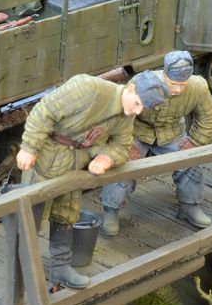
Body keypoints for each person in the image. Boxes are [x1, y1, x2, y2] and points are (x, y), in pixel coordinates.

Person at [16, 71, 169, 289]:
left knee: (66, 214)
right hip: (45, 159)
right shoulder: (87, 88)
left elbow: (123, 146)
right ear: (131, 89)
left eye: (143, 108)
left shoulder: (127, 115)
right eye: (137, 103)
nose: (137, 111)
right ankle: (21, 275)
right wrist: (29, 147)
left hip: (73, 166)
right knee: (31, 219)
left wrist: (107, 157)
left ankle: (60, 268)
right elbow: (44, 111)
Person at [99, 51, 212, 236]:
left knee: (190, 161)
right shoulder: (143, 83)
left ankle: (190, 206)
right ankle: (111, 210)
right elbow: (122, 116)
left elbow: (209, 115)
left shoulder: (198, 87)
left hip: (171, 132)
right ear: (164, 75)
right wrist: (125, 145)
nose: (177, 89)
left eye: (182, 85)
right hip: (137, 132)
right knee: (122, 164)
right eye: (173, 83)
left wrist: (195, 141)